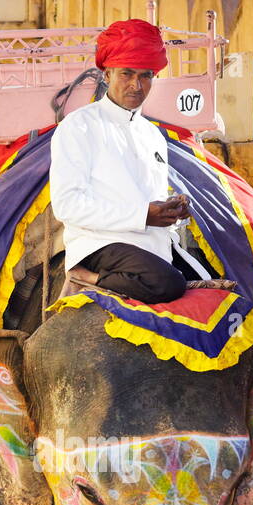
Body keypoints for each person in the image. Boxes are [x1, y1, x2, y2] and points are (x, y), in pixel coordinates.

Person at [49, 18, 194, 304]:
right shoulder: (78, 126)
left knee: (214, 282)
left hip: (150, 243)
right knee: (169, 284)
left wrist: (171, 209)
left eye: (145, 76)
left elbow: (147, 197)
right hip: (100, 242)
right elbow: (67, 206)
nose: (136, 85)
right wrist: (142, 215)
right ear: (107, 74)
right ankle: (88, 278)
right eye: (126, 74)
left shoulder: (152, 134)